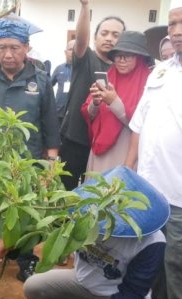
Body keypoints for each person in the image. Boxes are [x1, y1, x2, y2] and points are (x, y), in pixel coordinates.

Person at [18, 167, 167, 299]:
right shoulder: (85, 215)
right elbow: (46, 230)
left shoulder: (152, 242)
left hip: (119, 294)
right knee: (34, 286)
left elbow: (133, 292)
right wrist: (9, 243)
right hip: (83, 283)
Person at [0, 18, 60, 285]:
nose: (8, 54)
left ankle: (27, 262)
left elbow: (50, 124)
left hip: (27, 163)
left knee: (27, 212)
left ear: (27, 48)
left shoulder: (39, 80)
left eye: (15, 47)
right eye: (2, 47)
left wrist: (51, 162)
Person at [125, 0, 182, 299]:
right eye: (172, 24)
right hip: (149, 187)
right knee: (145, 249)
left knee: (181, 258)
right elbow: (138, 125)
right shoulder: (160, 72)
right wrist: (128, 170)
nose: (176, 30)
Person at [59, 0, 125, 190]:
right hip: (75, 140)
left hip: (104, 147)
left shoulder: (121, 69)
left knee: (95, 194)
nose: (109, 38)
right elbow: (80, 40)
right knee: (66, 192)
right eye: (104, 33)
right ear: (95, 38)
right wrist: (85, 6)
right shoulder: (85, 58)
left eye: (115, 35)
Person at [81, 31, 152, 175]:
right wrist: (95, 102)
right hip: (99, 148)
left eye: (128, 56)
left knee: (117, 190)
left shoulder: (148, 82)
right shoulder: (110, 75)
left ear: (140, 58)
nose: (121, 60)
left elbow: (143, 124)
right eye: (118, 56)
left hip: (126, 149)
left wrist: (114, 102)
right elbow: (88, 113)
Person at [51, 40, 75, 128]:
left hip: (74, 113)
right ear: (65, 52)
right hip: (59, 111)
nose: (73, 52)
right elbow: (48, 87)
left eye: (75, 49)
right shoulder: (59, 68)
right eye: (70, 49)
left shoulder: (82, 70)